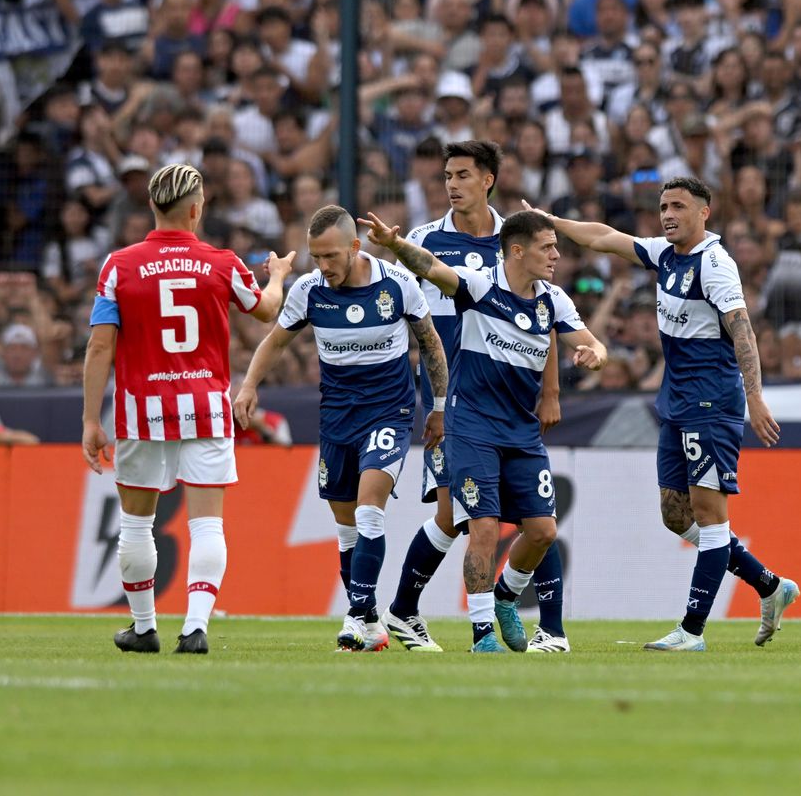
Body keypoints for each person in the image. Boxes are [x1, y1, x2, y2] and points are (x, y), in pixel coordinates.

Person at [533, 177, 801, 652]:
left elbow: (744, 333)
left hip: (710, 402)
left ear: (705, 213)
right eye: (663, 206)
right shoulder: (665, 254)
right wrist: (552, 222)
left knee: (711, 516)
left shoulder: (715, 265)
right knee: (675, 515)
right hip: (675, 402)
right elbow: (604, 237)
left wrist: (755, 397)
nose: (668, 214)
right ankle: (769, 584)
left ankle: (692, 631)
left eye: (678, 206)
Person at [361, 208, 607, 652]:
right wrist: (395, 245)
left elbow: (593, 342)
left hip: (521, 431)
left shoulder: (553, 300)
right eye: (547, 247)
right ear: (517, 251)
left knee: (543, 531)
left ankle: (505, 596)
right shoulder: (479, 286)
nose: (556, 255)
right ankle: (482, 636)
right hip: (470, 426)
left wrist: (596, 354)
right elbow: (431, 267)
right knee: (483, 527)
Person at [81, 164, 294, 655]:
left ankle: (143, 626)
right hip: (206, 408)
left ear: (152, 206)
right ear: (196, 208)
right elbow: (265, 309)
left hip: (141, 411)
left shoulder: (119, 266)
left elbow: (99, 348)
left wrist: (92, 419)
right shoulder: (221, 263)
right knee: (207, 525)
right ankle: (196, 626)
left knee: (136, 524)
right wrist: (279, 275)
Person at [381, 140, 574, 654]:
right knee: (460, 515)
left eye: (463, 174)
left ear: (488, 179)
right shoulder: (425, 240)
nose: (451, 184)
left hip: (510, 404)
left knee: (520, 517)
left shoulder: (515, 241)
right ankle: (412, 613)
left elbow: (544, 318)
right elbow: (411, 321)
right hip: (454, 402)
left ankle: (547, 628)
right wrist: (429, 400)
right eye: (447, 175)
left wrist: (550, 390)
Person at [234, 205, 447, 653]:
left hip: (388, 412)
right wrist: (249, 385)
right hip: (336, 418)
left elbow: (430, 342)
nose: (323, 266)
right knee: (347, 528)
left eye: (331, 256)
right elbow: (275, 340)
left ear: (354, 247)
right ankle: (370, 622)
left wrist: (440, 406)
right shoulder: (309, 291)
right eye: (317, 257)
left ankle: (354, 617)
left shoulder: (397, 283)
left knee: (371, 509)